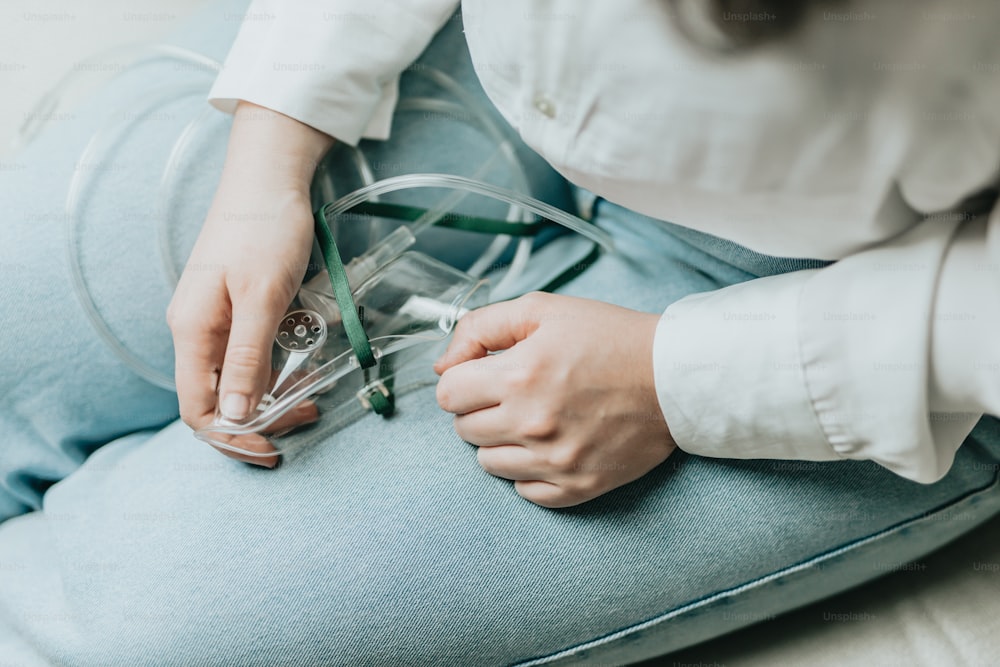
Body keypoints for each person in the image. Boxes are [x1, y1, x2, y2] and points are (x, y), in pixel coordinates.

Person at [3, 0, 1000, 664]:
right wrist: (271, 147)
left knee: (138, 630)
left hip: (864, 286)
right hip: (470, 60)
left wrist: (684, 377)